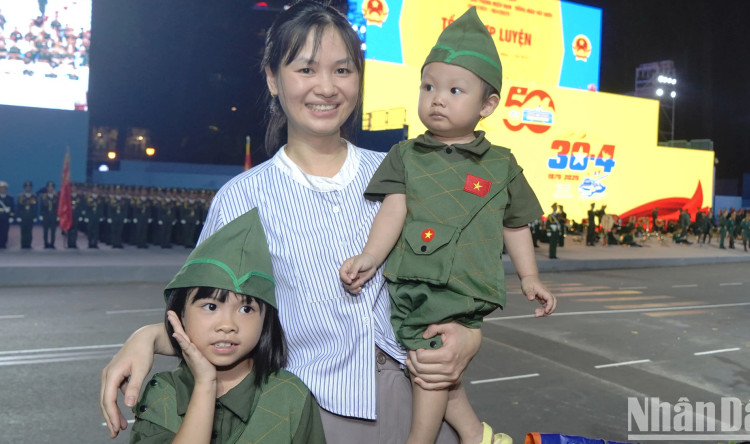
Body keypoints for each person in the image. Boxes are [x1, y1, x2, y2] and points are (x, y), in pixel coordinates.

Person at [101, 3, 478, 443]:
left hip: (423, 405)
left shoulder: (405, 175)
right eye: (305, 69)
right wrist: (146, 336)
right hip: (308, 413)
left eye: (342, 70)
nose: (326, 87)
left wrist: (469, 336)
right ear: (272, 78)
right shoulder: (242, 199)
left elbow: (460, 278)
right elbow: (212, 319)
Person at [339, 8, 556, 444]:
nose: (438, 98)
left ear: (487, 105)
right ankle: (478, 436)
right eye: (429, 86)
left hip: (463, 285)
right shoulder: (405, 154)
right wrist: (369, 256)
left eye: (455, 89)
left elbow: (515, 226)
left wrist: (529, 276)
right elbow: (393, 211)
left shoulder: (502, 165)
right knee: (432, 364)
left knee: (429, 369)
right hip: (414, 280)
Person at [129, 208, 325, 443]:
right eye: (211, 306)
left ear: (266, 320)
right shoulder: (164, 393)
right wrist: (204, 385)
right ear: (180, 314)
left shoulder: (289, 395)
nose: (227, 325)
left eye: (246, 309)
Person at [17, 180, 37, 249]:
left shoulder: (34, 196)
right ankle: (23, 244)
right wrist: (18, 216)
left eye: (29, 187)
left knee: (29, 231)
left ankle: (28, 244)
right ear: (24, 188)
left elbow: (35, 207)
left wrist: (35, 216)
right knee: (23, 231)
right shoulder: (21, 196)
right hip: (23, 216)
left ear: (31, 188)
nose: (28, 188)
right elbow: (18, 207)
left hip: (30, 216)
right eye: (26, 187)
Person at [40, 180, 58, 248]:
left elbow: (58, 206)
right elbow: (41, 206)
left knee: (53, 230)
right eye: (49, 187)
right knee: (45, 230)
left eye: (52, 187)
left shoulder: (56, 196)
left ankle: (52, 243)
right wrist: (41, 215)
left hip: (53, 215)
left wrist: (58, 215)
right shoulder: (43, 196)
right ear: (47, 188)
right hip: (46, 215)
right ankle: (46, 243)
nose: (50, 188)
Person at [0, 181, 13, 249]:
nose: (3, 190)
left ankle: (4, 243)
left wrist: (11, 216)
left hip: (5, 217)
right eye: (1, 188)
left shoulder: (10, 198)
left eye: (4, 188)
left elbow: (12, 208)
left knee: (5, 231)